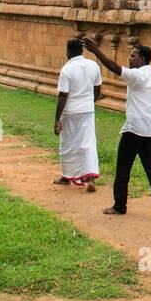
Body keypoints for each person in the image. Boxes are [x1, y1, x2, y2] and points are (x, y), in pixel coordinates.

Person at [80, 37, 151, 219]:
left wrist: (95, 50)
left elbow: (114, 68)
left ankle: (120, 206)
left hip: (134, 130)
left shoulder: (137, 76)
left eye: (133, 56)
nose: (129, 59)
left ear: (143, 59)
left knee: (123, 168)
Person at [54, 37, 103, 191]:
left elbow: (63, 95)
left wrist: (57, 119)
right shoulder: (93, 65)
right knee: (87, 143)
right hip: (87, 110)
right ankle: (90, 180)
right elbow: (98, 87)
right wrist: (90, 101)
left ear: (68, 51)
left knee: (67, 143)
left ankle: (66, 176)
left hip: (70, 111)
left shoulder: (66, 70)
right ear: (81, 50)